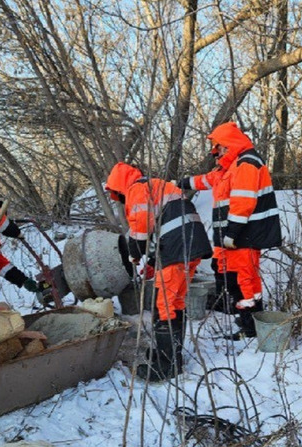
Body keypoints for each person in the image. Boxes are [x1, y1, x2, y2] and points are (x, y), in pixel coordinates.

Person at [106, 162, 212, 381]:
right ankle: (171, 356)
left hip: (177, 247)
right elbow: (165, 226)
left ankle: (167, 364)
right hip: (189, 246)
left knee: (164, 306)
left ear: (119, 186)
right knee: (175, 303)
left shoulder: (136, 189)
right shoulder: (156, 186)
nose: (119, 199)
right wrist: (154, 262)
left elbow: (142, 228)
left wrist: (133, 254)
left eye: (117, 194)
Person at [176, 121, 282, 340]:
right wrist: (181, 183)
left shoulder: (246, 164)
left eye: (220, 147)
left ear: (229, 145)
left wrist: (232, 233)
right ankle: (248, 319)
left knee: (244, 281)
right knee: (230, 276)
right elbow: (206, 180)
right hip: (232, 239)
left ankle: (250, 327)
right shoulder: (229, 168)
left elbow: (243, 202)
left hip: (243, 236)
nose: (217, 152)